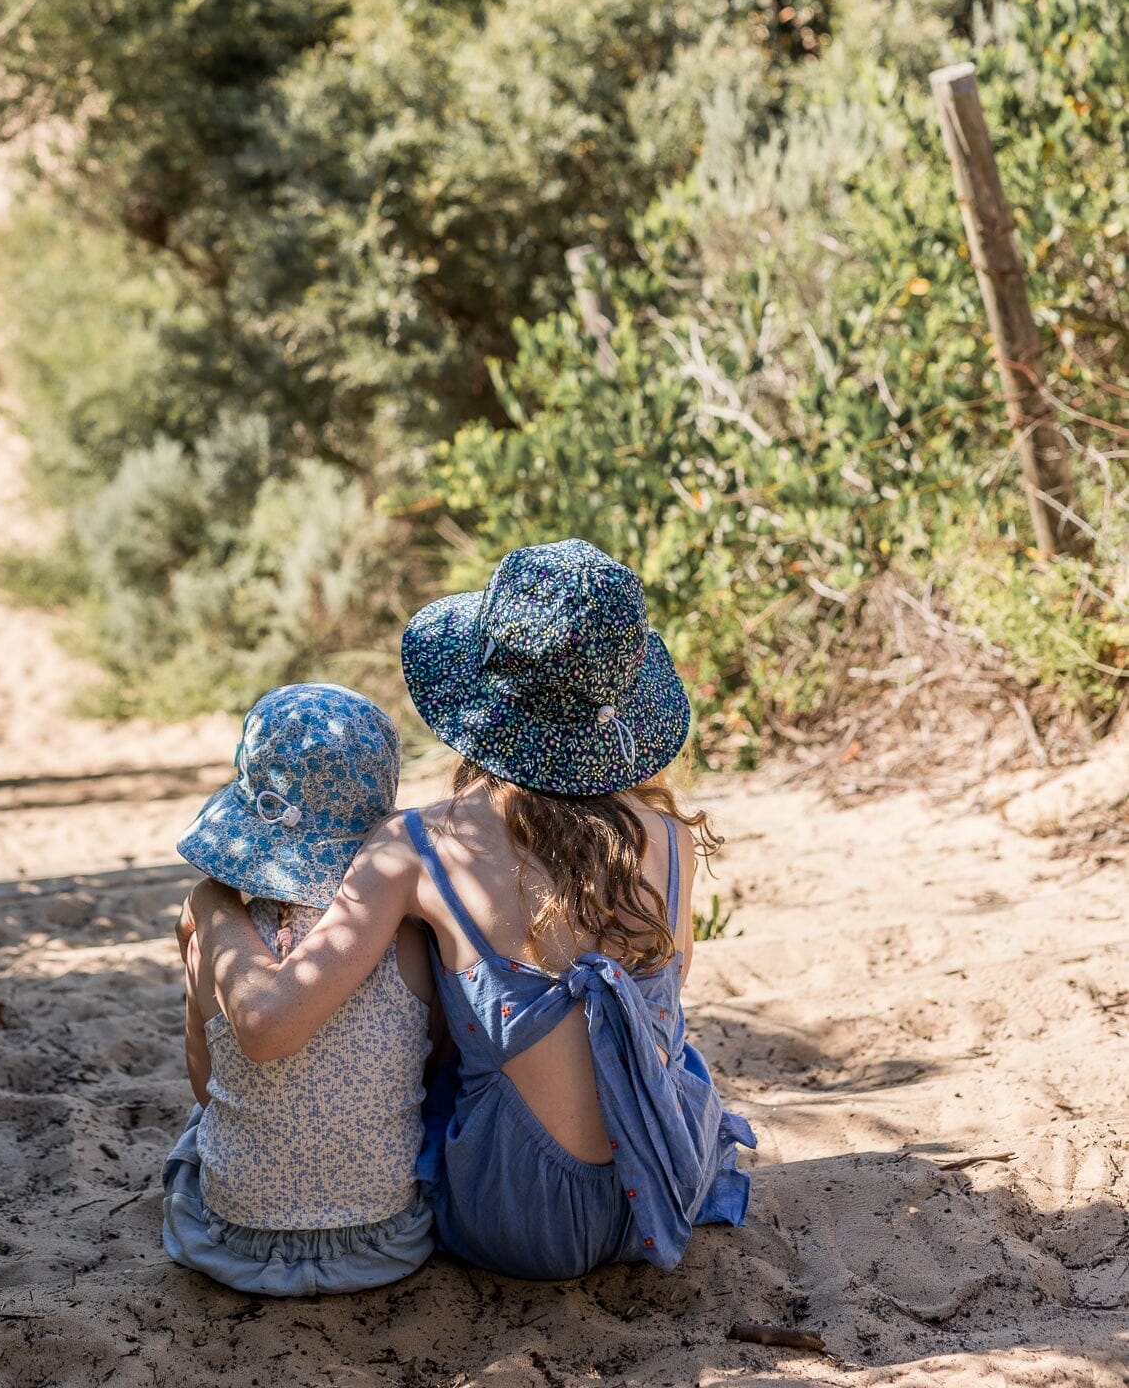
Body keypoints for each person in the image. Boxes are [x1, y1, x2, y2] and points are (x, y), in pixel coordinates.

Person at [191, 539, 755, 1282]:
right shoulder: (672, 837)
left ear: (485, 696)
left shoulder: (420, 846)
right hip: (666, 1183)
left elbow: (268, 1029)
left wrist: (213, 907)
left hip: (519, 1219)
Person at [163, 682, 435, 1297]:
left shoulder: (216, 932)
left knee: (197, 1135)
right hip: (387, 1242)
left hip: (235, 1243)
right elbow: (431, 1064)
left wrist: (206, 908)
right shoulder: (409, 932)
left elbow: (205, 1086)